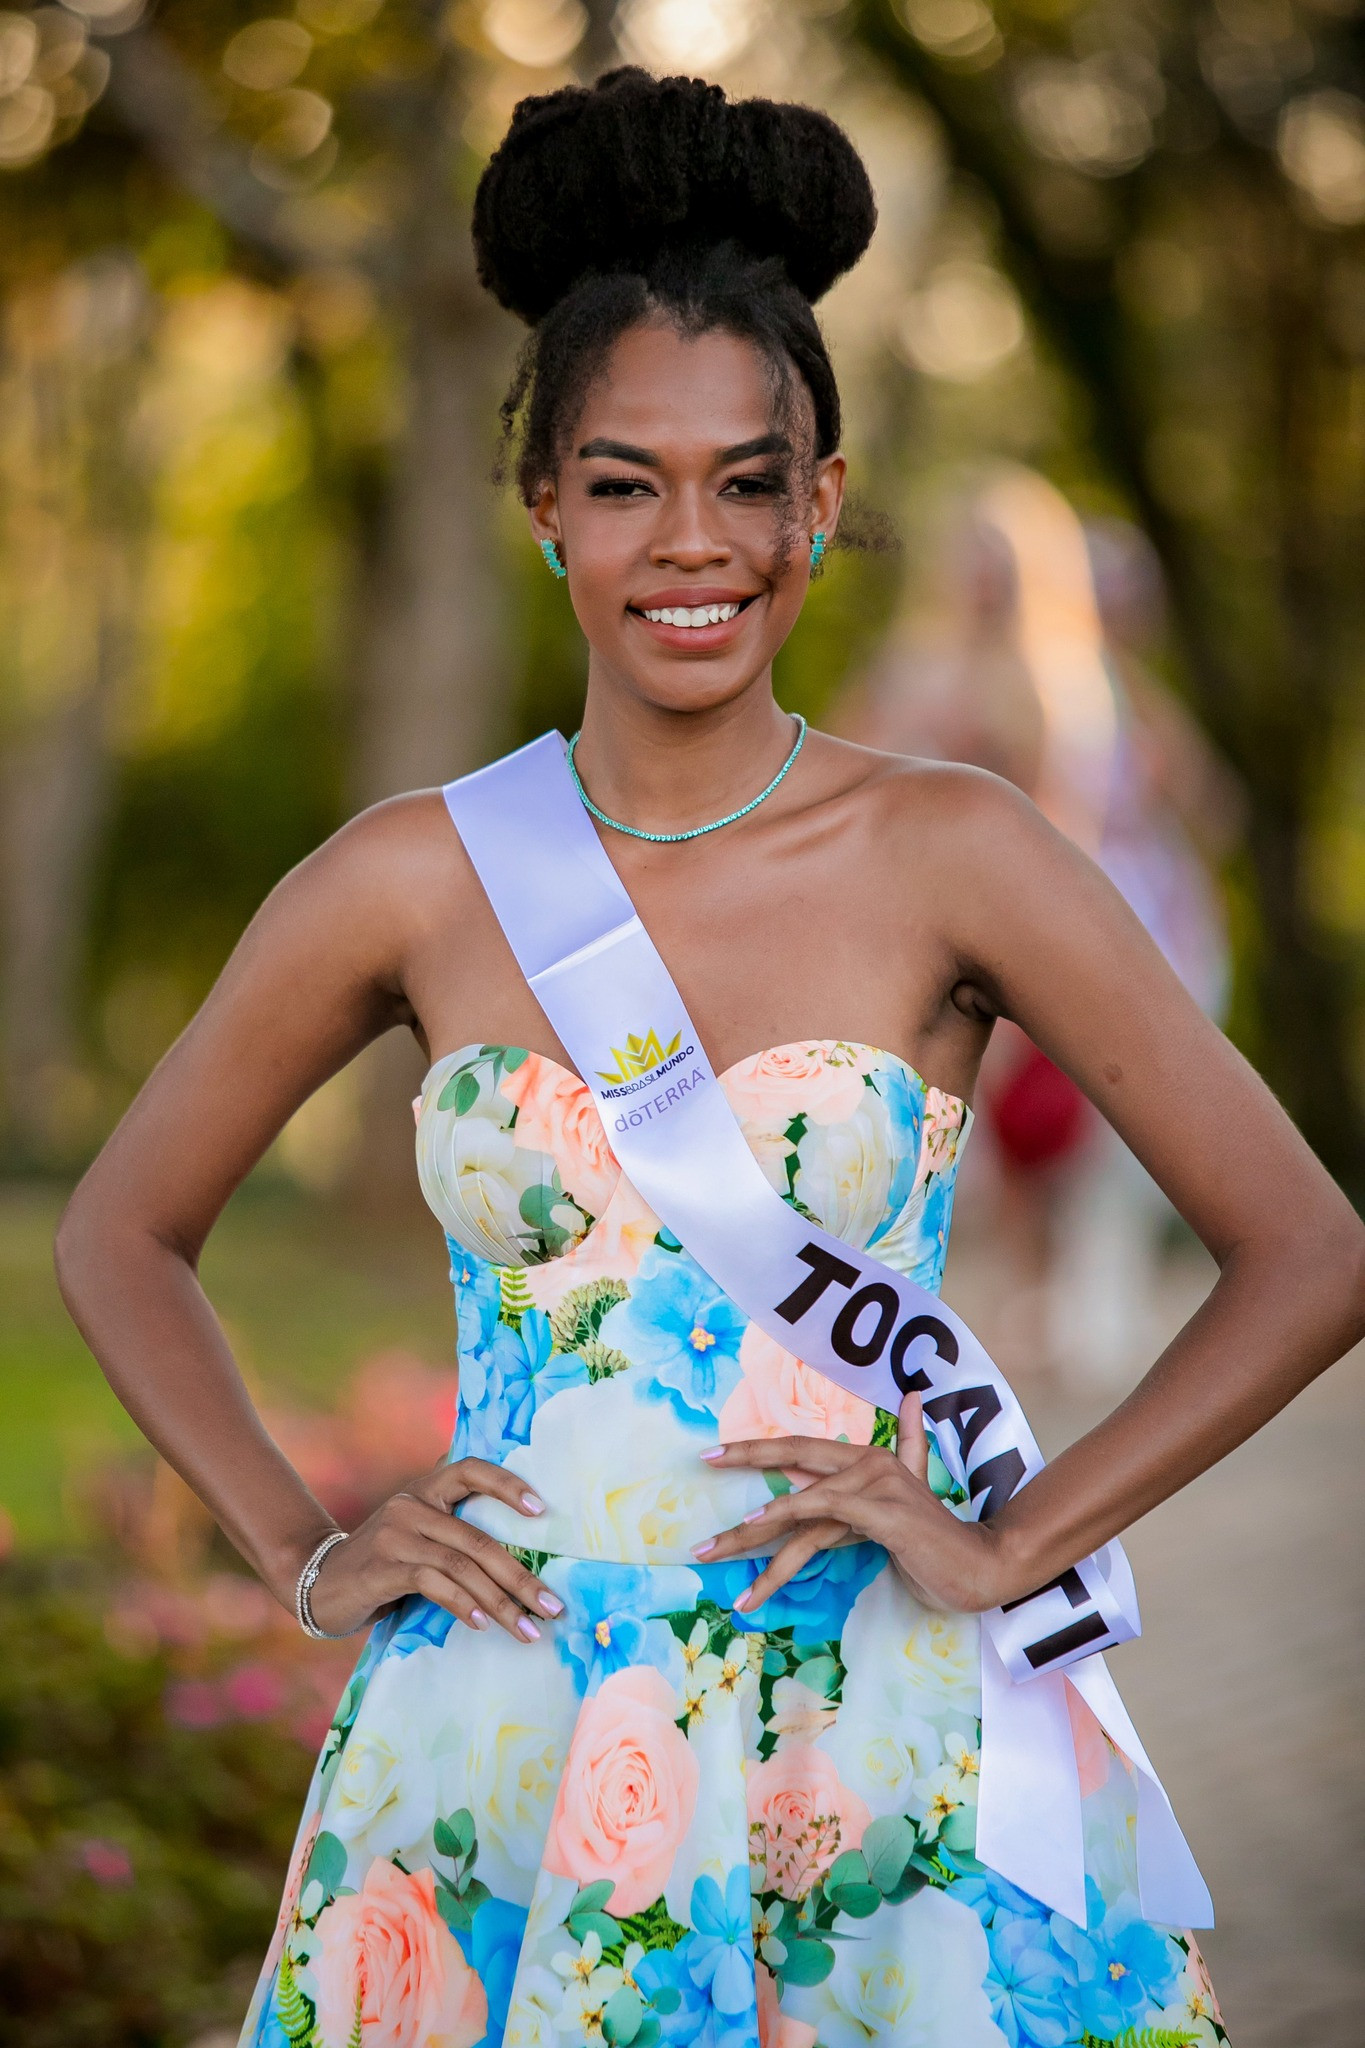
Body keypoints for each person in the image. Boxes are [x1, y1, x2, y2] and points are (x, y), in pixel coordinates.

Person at [53, 69, 1362, 2048]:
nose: (695, 541)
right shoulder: (410, 877)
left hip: (873, 1732)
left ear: (821, 506)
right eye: (623, 480)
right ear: (541, 504)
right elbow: (122, 1230)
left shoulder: (957, 850)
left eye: (748, 480)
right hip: (501, 1723)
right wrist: (301, 1541)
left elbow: (1307, 1246)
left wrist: (1015, 1536)